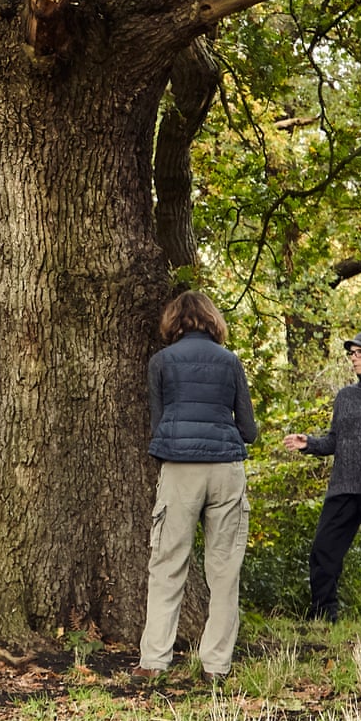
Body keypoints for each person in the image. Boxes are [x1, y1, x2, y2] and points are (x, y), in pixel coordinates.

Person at [133, 291, 258, 681]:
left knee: (168, 565)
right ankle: (216, 666)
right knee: (224, 570)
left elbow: (158, 425)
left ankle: (154, 662)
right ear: (212, 321)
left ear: (174, 322)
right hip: (226, 469)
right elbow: (249, 430)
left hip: (180, 469)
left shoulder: (161, 361)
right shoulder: (231, 361)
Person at [283, 331, 361, 625]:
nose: (354, 358)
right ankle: (324, 615)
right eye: (351, 353)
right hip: (342, 487)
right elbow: (334, 441)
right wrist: (309, 443)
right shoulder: (345, 397)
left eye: (360, 352)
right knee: (323, 551)